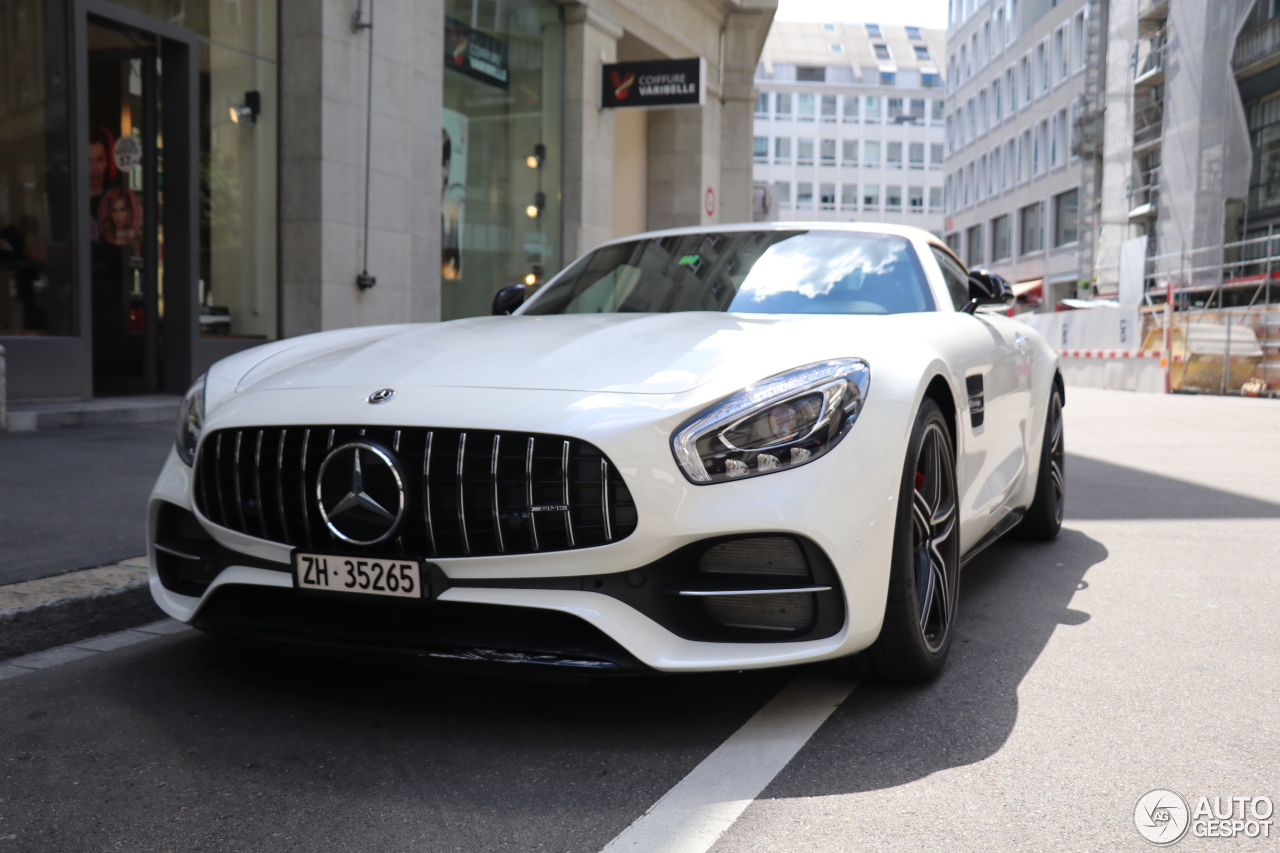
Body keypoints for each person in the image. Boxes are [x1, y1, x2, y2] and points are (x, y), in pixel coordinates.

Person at [0, 216, 45, 329]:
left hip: (20, 274)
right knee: (22, 300)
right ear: (22, 224)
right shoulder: (10, 234)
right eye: (27, 229)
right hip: (16, 273)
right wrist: (28, 255)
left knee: (25, 299)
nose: (27, 232)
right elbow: (16, 252)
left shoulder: (13, 234)